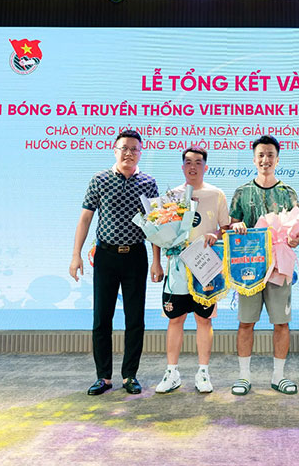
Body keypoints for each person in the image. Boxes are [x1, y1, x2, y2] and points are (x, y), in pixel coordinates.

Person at [69, 130, 160, 396]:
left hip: (136, 256)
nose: (129, 153)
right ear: (115, 150)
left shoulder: (148, 183)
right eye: (124, 148)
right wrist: (76, 254)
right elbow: (85, 218)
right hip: (106, 256)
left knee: (135, 319)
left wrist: (156, 261)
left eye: (134, 149)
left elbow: (156, 224)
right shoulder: (99, 180)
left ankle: (130, 375)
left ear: (140, 152)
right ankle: (104, 377)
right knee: (102, 318)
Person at [228, 135, 299, 396]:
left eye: (270, 155)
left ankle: (278, 377)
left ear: (277, 159)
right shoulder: (242, 192)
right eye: (261, 155)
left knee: (281, 323)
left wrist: (295, 239)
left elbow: (298, 232)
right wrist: (236, 226)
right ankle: (244, 377)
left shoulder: (288, 193)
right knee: (246, 323)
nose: (265, 160)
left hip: (279, 268)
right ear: (254, 159)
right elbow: (230, 227)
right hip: (248, 268)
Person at [152, 147, 230, 394]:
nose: (192, 166)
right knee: (175, 319)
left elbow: (226, 227)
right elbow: (156, 231)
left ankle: (203, 373)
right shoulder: (171, 196)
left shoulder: (216, 194)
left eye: (198, 162)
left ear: (205, 167)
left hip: (205, 265)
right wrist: (156, 262)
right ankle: (171, 373)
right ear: (182, 167)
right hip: (176, 266)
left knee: (203, 319)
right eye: (187, 162)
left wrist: (215, 234)